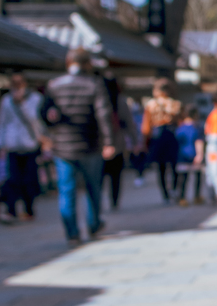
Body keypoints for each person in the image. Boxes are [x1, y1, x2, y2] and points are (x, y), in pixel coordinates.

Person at [43, 49, 115, 246]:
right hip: (89, 144)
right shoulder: (93, 84)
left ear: (68, 62)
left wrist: (51, 130)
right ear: (88, 64)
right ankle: (93, 223)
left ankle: (72, 232)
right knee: (93, 187)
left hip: (62, 146)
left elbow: (42, 112)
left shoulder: (54, 85)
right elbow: (103, 114)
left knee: (67, 190)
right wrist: (108, 141)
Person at [0, 72, 45, 222]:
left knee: (29, 179)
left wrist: (22, 104)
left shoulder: (35, 99)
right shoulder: (6, 101)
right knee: (12, 179)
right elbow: (2, 123)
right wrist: (0, 143)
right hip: (13, 145)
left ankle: (28, 209)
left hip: (30, 144)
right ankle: (11, 210)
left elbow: (37, 120)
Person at [101, 73, 139, 211]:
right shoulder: (120, 100)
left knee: (98, 177)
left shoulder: (98, 100)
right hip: (117, 144)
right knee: (115, 176)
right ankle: (114, 201)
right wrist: (135, 142)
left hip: (99, 145)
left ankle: (96, 202)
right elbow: (129, 123)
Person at [141, 78, 181, 204]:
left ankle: (165, 194)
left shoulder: (150, 104)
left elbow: (146, 125)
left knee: (161, 168)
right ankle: (174, 189)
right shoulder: (175, 103)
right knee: (174, 165)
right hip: (172, 134)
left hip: (157, 136)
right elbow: (180, 121)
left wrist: (145, 141)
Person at [174, 105, 204, 206]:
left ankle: (182, 198)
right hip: (194, 155)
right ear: (195, 115)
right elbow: (199, 141)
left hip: (182, 156)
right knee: (197, 177)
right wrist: (200, 154)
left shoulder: (180, 128)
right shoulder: (197, 127)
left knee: (183, 179)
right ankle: (197, 196)